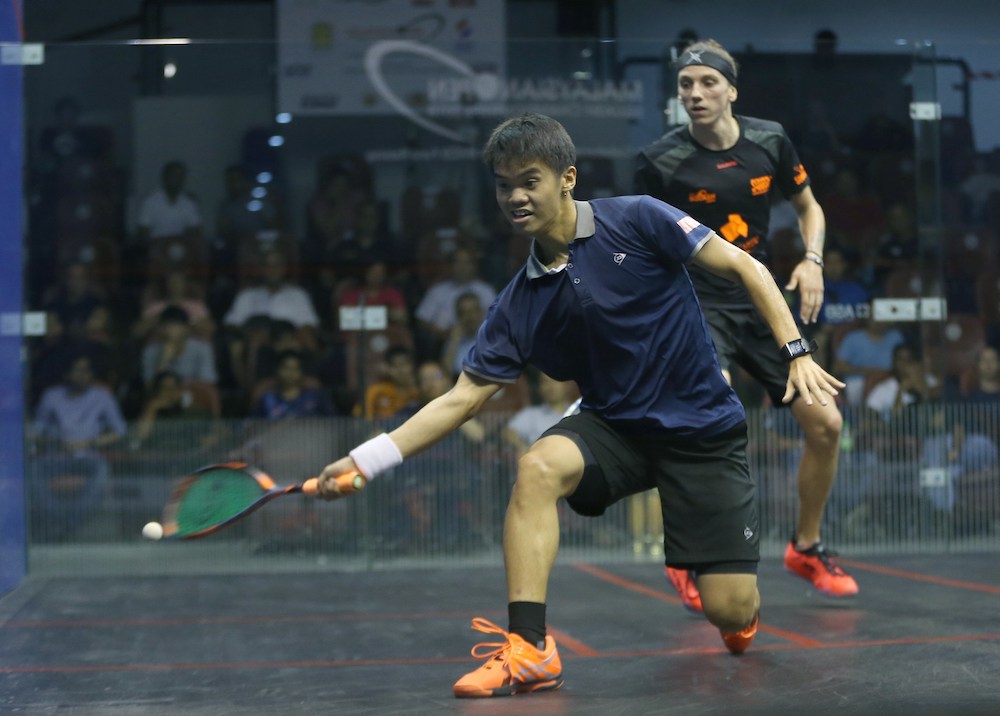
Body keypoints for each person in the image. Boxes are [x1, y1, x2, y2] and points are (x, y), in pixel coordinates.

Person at [313, 113, 843, 697]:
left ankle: (728, 602)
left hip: (702, 431)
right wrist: (366, 460)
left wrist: (796, 351)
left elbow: (745, 265)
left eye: (529, 180)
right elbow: (462, 399)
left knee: (730, 611)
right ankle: (532, 649)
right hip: (615, 426)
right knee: (537, 468)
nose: (515, 196)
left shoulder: (639, 217)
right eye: (503, 185)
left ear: (566, 178)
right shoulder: (519, 302)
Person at [633, 39, 858, 608]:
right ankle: (690, 555)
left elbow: (809, 206)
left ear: (732, 89)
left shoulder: (770, 140)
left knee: (826, 423)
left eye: (708, 83)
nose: (696, 93)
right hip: (694, 306)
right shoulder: (659, 160)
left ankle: (806, 547)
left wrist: (811, 260)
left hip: (760, 299)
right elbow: (639, 240)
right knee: (712, 422)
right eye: (686, 85)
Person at [29, 354, 127, 540]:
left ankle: (71, 522)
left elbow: (120, 431)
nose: (83, 375)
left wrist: (89, 443)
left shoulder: (102, 396)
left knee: (101, 471)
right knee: (34, 471)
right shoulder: (52, 396)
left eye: (87, 371)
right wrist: (57, 442)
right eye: (78, 370)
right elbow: (36, 431)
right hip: (55, 456)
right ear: (67, 374)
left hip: (89, 456)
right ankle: (62, 519)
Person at [141, 305, 218, 387]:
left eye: (175, 326)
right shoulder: (150, 351)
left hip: (195, 396)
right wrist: (164, 360)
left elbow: (208, 382)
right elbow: (149, 387)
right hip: (164, 397)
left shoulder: (202, 348)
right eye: (167, 326)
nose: (170, 331)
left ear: (186, 328)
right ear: (160, 329)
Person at [251, 350, 333, 420]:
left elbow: (333, 423)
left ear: (301, 372)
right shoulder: (267, 399)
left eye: (295, 369)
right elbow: (253, 426)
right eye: (286, 368)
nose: (291, 373)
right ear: (278, 370)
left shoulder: (316, 397)